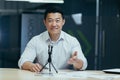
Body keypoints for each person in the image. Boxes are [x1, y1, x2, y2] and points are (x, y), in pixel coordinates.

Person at [18, 6, 87, 72]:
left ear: (63, 22)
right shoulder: (35, 40)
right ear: (45, 22)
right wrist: (31, 65)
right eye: (50, 20)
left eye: (57, 20)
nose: (54, 24)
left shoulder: (72, 41)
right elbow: (22, 61)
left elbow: (83, 64)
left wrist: (77, 62)